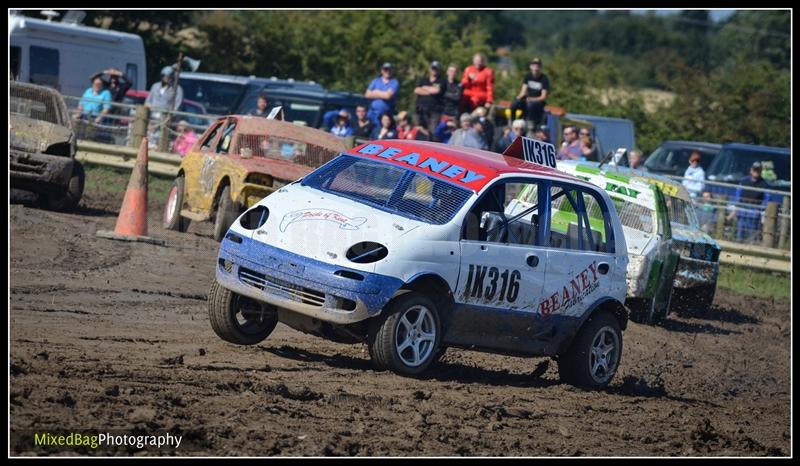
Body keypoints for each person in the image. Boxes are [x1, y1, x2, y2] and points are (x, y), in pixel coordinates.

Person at [726, 162, 771, 241]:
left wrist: (761, 209)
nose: (756, 172)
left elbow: (766, 199)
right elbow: (738, 195)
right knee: (739, 236)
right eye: (755, 170)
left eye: (758, 170)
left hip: (755, 214)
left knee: (752, 238)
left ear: (760, 171)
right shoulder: (743, 181)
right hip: (742, 212)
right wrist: (737, 207)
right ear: (751, 170)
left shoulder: (765, 184)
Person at [512, 58, 550, 128]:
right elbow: (523, 92)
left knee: (530, 105)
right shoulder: (528, 76)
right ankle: (513, 122)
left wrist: (531, 99)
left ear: (540, 67)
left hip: (538, 102)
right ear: (530, 66)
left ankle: (530, 125)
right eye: (534, 65)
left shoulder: (544, 79)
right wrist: (518, 98)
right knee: (514, 105)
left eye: (537, 65)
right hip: (527, 100)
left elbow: (543, 97)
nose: (535, 67)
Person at [414, 61, 446, 136]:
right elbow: (416, 90)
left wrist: (424, 88)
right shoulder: (423, 79)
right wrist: (430, 91)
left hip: (435, 111)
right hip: (421, 110)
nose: (434, 70)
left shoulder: (442, 80)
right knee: (419, 131)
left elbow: (436, 90)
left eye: (436, 69)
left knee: (432, 133)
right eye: (433, 68)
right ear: (429, 69)